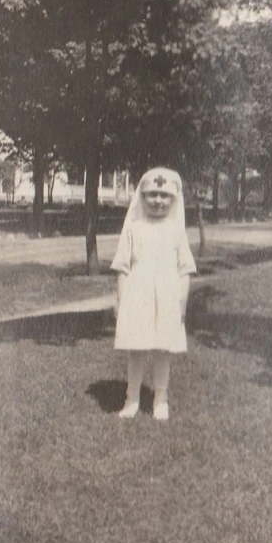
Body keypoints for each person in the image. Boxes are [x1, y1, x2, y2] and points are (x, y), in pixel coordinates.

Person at [111, 167, 197, 421]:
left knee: (162, 349)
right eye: (152, 195)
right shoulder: (134, 229)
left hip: (168, 298)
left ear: (174, 199)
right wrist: (120, 299)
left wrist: (182, 303)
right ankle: (132, 398)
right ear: (142, 196)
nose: (158, 201)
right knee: (136, 349)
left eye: (164, 196)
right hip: (138, 296)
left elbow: (185, 270)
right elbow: (122, 268)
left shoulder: (176, 231)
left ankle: (161, 398)